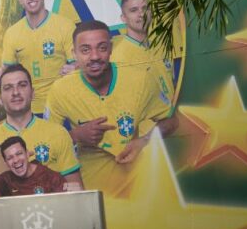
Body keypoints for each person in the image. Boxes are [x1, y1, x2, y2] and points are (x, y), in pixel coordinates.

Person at [45, 20, 178, 195]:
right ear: (74, 53)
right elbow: (46, 142)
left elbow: (171, 121)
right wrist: (76, 135)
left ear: (111, 49)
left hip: (139, 185)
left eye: (101, 48)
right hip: (91, 189)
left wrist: (144, 141)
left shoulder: (140, 80)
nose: (94, 56)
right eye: (85, 50)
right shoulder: (60, 90)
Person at [0, 65, 83, 190]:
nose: (16, 92)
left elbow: (76, 192)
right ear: (0, 99)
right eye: (8, 88)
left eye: (22, 85)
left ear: (33, 93)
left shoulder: (58, 133)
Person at [0, 0, 76, 113]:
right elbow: (6, 72)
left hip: (62, 106)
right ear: (20, 0)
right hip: (28, 110)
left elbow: (78, 65)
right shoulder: (12, 33)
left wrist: (76, 68)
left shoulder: (65, 26)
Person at [112, 0, 179, 104]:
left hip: (171, 117)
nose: (141, 14)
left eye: (145, 8)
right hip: (145, 121)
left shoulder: (161, 45)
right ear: (123, 18)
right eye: (134, 10)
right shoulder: (115, 52)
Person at [0, 136, 66, 196]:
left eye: (19, 154)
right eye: (10, 158)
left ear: (27, 154)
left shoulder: (52, 178)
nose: (16, 160)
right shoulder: (5, 180)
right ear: (6, 162)